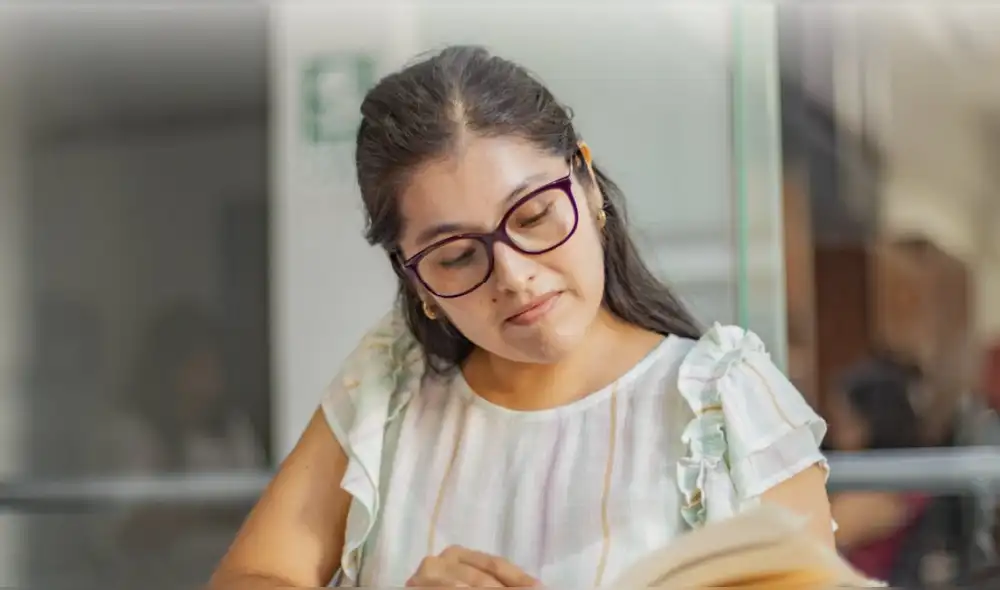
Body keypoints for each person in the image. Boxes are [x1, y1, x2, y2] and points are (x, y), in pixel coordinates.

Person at [211, 46, 835, 589]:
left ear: (587, 184)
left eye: (533, 217)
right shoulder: (387, 396)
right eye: (457, 256)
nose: (513, 276)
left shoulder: (721, 405)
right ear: (413, 277)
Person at [827, 356, 929, 581]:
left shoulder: (884, 492)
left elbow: (809, 539)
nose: (835, 435)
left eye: (844, 422)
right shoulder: (903, 480)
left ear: (870, 424)